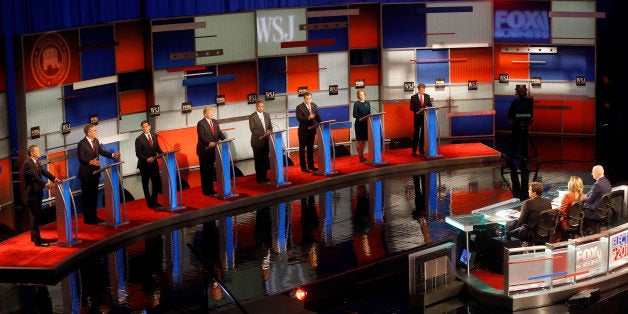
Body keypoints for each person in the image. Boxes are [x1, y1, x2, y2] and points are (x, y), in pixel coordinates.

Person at [77, 124, 121, 225]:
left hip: (96, 173)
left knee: (94, 196)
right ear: (89, 132)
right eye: (94, 130)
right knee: (87, 197)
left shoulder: (96, 141)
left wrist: (113, 155)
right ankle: (88, 219)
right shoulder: (82, 143)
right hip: (86, 174)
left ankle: (94, 217)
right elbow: (81, 158)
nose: (96, 132)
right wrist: (90, 162)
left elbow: (102, 151)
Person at [23, 144, 61, 246]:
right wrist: (45, 184)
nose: (39, 152)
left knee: (36, 216)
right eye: (37, 150)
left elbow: (44, 172)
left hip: (37, 193)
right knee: (35, 217)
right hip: (32, 194)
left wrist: (54, 179)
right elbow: (35, 177)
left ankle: (35, 238)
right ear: (32, 153)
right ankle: (38, 241)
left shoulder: (36, 162)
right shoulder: (28, 163)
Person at [196, 106, 225, 196]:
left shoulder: (215, 122)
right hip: (204, 150)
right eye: (210, 113)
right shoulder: (201, 123)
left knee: (211, 170)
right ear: (205, 114)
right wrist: (209, 143)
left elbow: (219, 133)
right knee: (205, 171)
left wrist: (224, 139)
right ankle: (206, 191)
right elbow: (202, 136)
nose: (212, 114)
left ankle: (211, 189)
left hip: (213, 150)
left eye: (212, 113)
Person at [135, 120, 164, 209]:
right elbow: (138, 154)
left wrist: (163, 154)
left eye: (146, 126)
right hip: (144, 165)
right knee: (145, 184)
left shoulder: (154, 135)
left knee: (156, 182)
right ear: (142, 128)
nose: (145, 128)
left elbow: (157, 148)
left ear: (149, 127)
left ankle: (155, 201)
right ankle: (149, 202)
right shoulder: (139, 139)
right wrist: (147, 159)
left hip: (154, 163)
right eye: (143, 127)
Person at [296, 91, 321, 172]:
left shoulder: (314, 105)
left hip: (312, 131)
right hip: (303, 132)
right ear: (304, 98)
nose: (308, 100)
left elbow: (317, 116)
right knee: (302, 150)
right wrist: (308, 117)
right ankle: (303, 168)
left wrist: (321, 124)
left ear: (311, 98)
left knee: (310, 149)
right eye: (307, 99)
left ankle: (311, 166)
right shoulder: (299, 107)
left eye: (310, 98)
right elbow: (299, 119)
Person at [583, 165, 612, 234]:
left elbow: (589, 200)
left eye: (592, 172)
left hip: (594, 212)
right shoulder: (607, 182)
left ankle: (583, 232)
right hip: (603, 210)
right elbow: (592, 194)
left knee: (579, 210)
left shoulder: (597, 184)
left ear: (596, 173)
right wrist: (586, 196)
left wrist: (582, 198)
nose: (591, 174)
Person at [248, 100, 273, 183]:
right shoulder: (252, 117)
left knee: (265, 160)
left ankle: (264, 177)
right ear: (256, 107)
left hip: (266, 142)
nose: (261, 108)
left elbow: (270, 126)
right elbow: (253, 130)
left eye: (262, 106)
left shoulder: (267, 115)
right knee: (259, 161)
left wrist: (269, 131)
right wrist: (264, 134)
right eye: (259, 106)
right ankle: (259, 178)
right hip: (257, 142)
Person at [556, 176, 584, 242]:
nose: (568, 183)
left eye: (569, 182)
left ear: (571, 184)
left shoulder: (568, 196)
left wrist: (556, 210)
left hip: (566, 222)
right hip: (576, 222)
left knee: (552, 222)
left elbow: (561, 211)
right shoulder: (582, 196)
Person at [409, 83, 432, 156]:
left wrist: (427, 108)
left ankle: (421, 150)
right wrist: (419, 109)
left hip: (424, 118)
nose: (423, 91)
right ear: (418, 89)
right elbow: (411, 108)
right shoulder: (414, 97)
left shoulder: (427, 96)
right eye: (422, 90)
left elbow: (430, 106)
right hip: (417, 117)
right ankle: (414, 150)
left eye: (424, 90)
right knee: (416, 133)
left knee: (423, 134)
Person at [352, 89, 371, 162]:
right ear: (358, 96)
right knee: (359, 140)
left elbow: (369, 112)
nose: (362, 96)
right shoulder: (356, 104)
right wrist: (361, 118)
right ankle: (360, 156)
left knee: (363, 141)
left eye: (363, 94)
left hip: (366, 123)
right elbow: (354, 114)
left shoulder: (367, 103)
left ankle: (362, 155)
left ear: (365, 95)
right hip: (359, 123)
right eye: (360, 95)